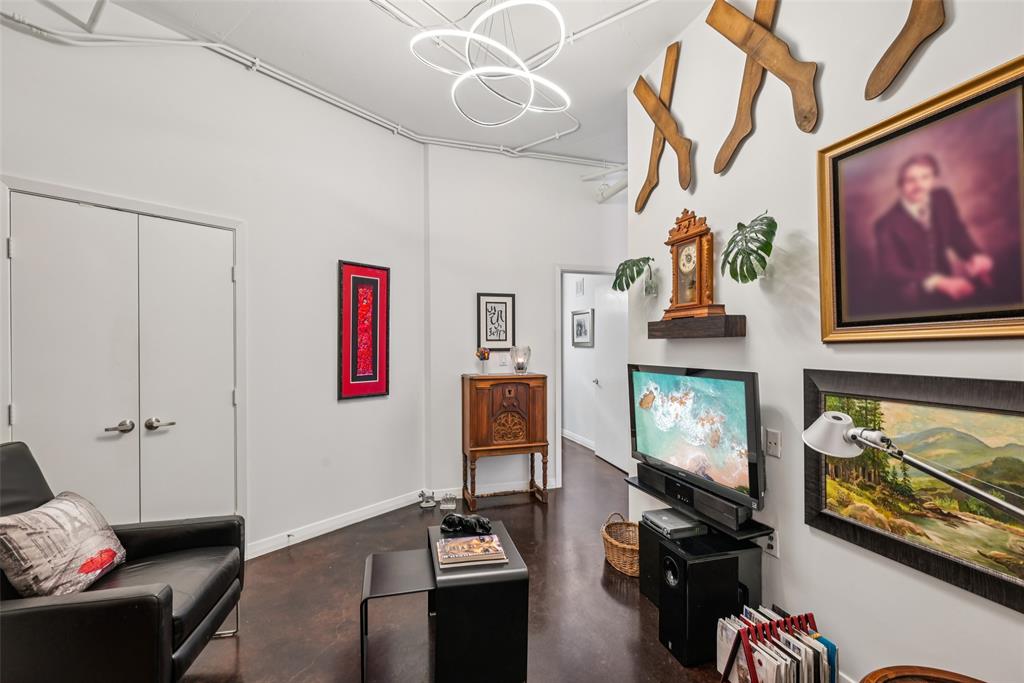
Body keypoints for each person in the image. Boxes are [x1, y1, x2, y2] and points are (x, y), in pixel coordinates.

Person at [874, 154, 994, 310]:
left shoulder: (942, 197)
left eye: (925, 177)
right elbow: (891, 269)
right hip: (910, 299)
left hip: (950, 285)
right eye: (911, 180)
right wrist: (938, 282)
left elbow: (956, 233)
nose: (919, 185)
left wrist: (974, 254)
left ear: (933, 179)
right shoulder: (886, 223)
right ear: (900, 184)